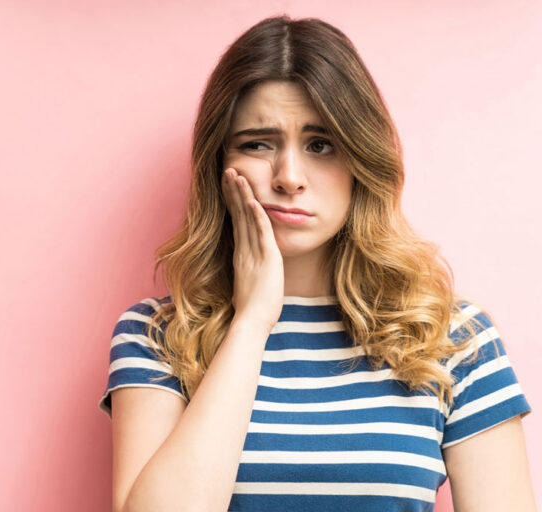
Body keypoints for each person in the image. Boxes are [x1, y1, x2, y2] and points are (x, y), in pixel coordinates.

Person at [97, 15, 534, 512]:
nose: (289, 177)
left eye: (320, 145)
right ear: (219, 164)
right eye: (258, 143)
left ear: (361, 162)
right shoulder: (155, 335)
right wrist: (253, 321)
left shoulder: (453, 338)